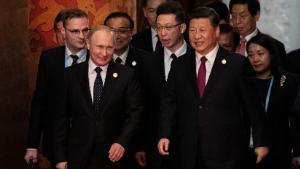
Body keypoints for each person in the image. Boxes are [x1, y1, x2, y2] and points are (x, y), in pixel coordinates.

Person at [157, 7, 269, 169]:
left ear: (216, 31)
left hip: (226, 151)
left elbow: (253, 107)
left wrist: (260, 142)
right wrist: (164, 134)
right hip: (188, 150)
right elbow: (169, 103)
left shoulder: (237, 64)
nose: (196, 36)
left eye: (202, 30)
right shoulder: (180, 65)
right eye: (193, 30)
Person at [54, 25, 143, 169]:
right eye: (100, 47)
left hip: (113, 157)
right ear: (88, 44)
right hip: (78, 157)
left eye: (109, 47)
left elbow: (135, 114)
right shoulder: (70, 76)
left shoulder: (127, 75)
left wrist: (122, 142)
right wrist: (60, 157)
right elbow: (60, 119)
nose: (104, 53)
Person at [24, 8, 90, 167]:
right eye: (75, 31)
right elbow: (40, 102)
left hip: (88, 142)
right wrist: (32, 144)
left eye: (85, 30)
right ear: (63, 32)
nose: (81, 36)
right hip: (56, 140)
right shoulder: (49, 59)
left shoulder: (97, 58)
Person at [246, 34, 300, 169]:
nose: (255, 59)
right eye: (251, 55)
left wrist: (297, 151)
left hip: (279, 150)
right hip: (247, 149)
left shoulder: (287, 80)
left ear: (271, 54)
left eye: (260, 53)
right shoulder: (244, 82)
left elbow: (295, 118)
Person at [156, 1, 191, 81]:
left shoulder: (196, 58)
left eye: (168, 27)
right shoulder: (150, 61)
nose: (163, 33)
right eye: (159, 27)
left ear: (182, 28)